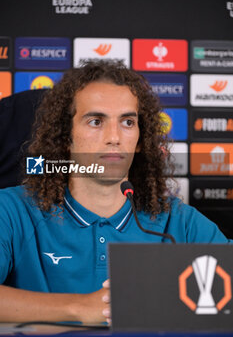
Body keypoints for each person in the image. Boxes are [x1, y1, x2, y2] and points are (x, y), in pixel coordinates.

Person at [0, 60, 231, 324]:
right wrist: (79, 307)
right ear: (65, 138)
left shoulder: (179, 222)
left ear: (141, 140)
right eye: (96, 121)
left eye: (128, 122)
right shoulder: (12, 211)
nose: (114, 136)